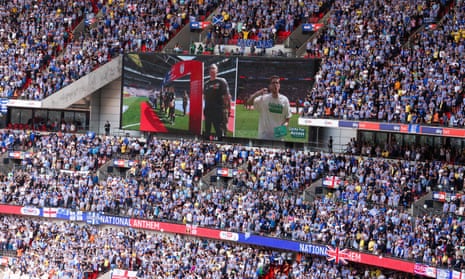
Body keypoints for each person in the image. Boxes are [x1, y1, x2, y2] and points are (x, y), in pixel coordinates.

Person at [247, 75, 291, 140]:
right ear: (269, 86)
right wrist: (259, 92)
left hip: (278, 138)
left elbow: (287, 118)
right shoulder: (264, 98)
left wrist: (283, 129)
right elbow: (249, 102)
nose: (275, 85)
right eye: (273, 83)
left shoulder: (284, 100)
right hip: (263, 137)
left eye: (277, 83)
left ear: (279, 85)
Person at [203, 63, 231, 140]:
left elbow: (227, 96)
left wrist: (229, 109)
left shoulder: (221, 81)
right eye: (210, 68)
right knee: (207, 132)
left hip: (218, 111)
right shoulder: (206, 84)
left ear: (217, 70)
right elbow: (205, 97)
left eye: (213, 68)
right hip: (208, 111)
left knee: (219, 132)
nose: (212, 70)